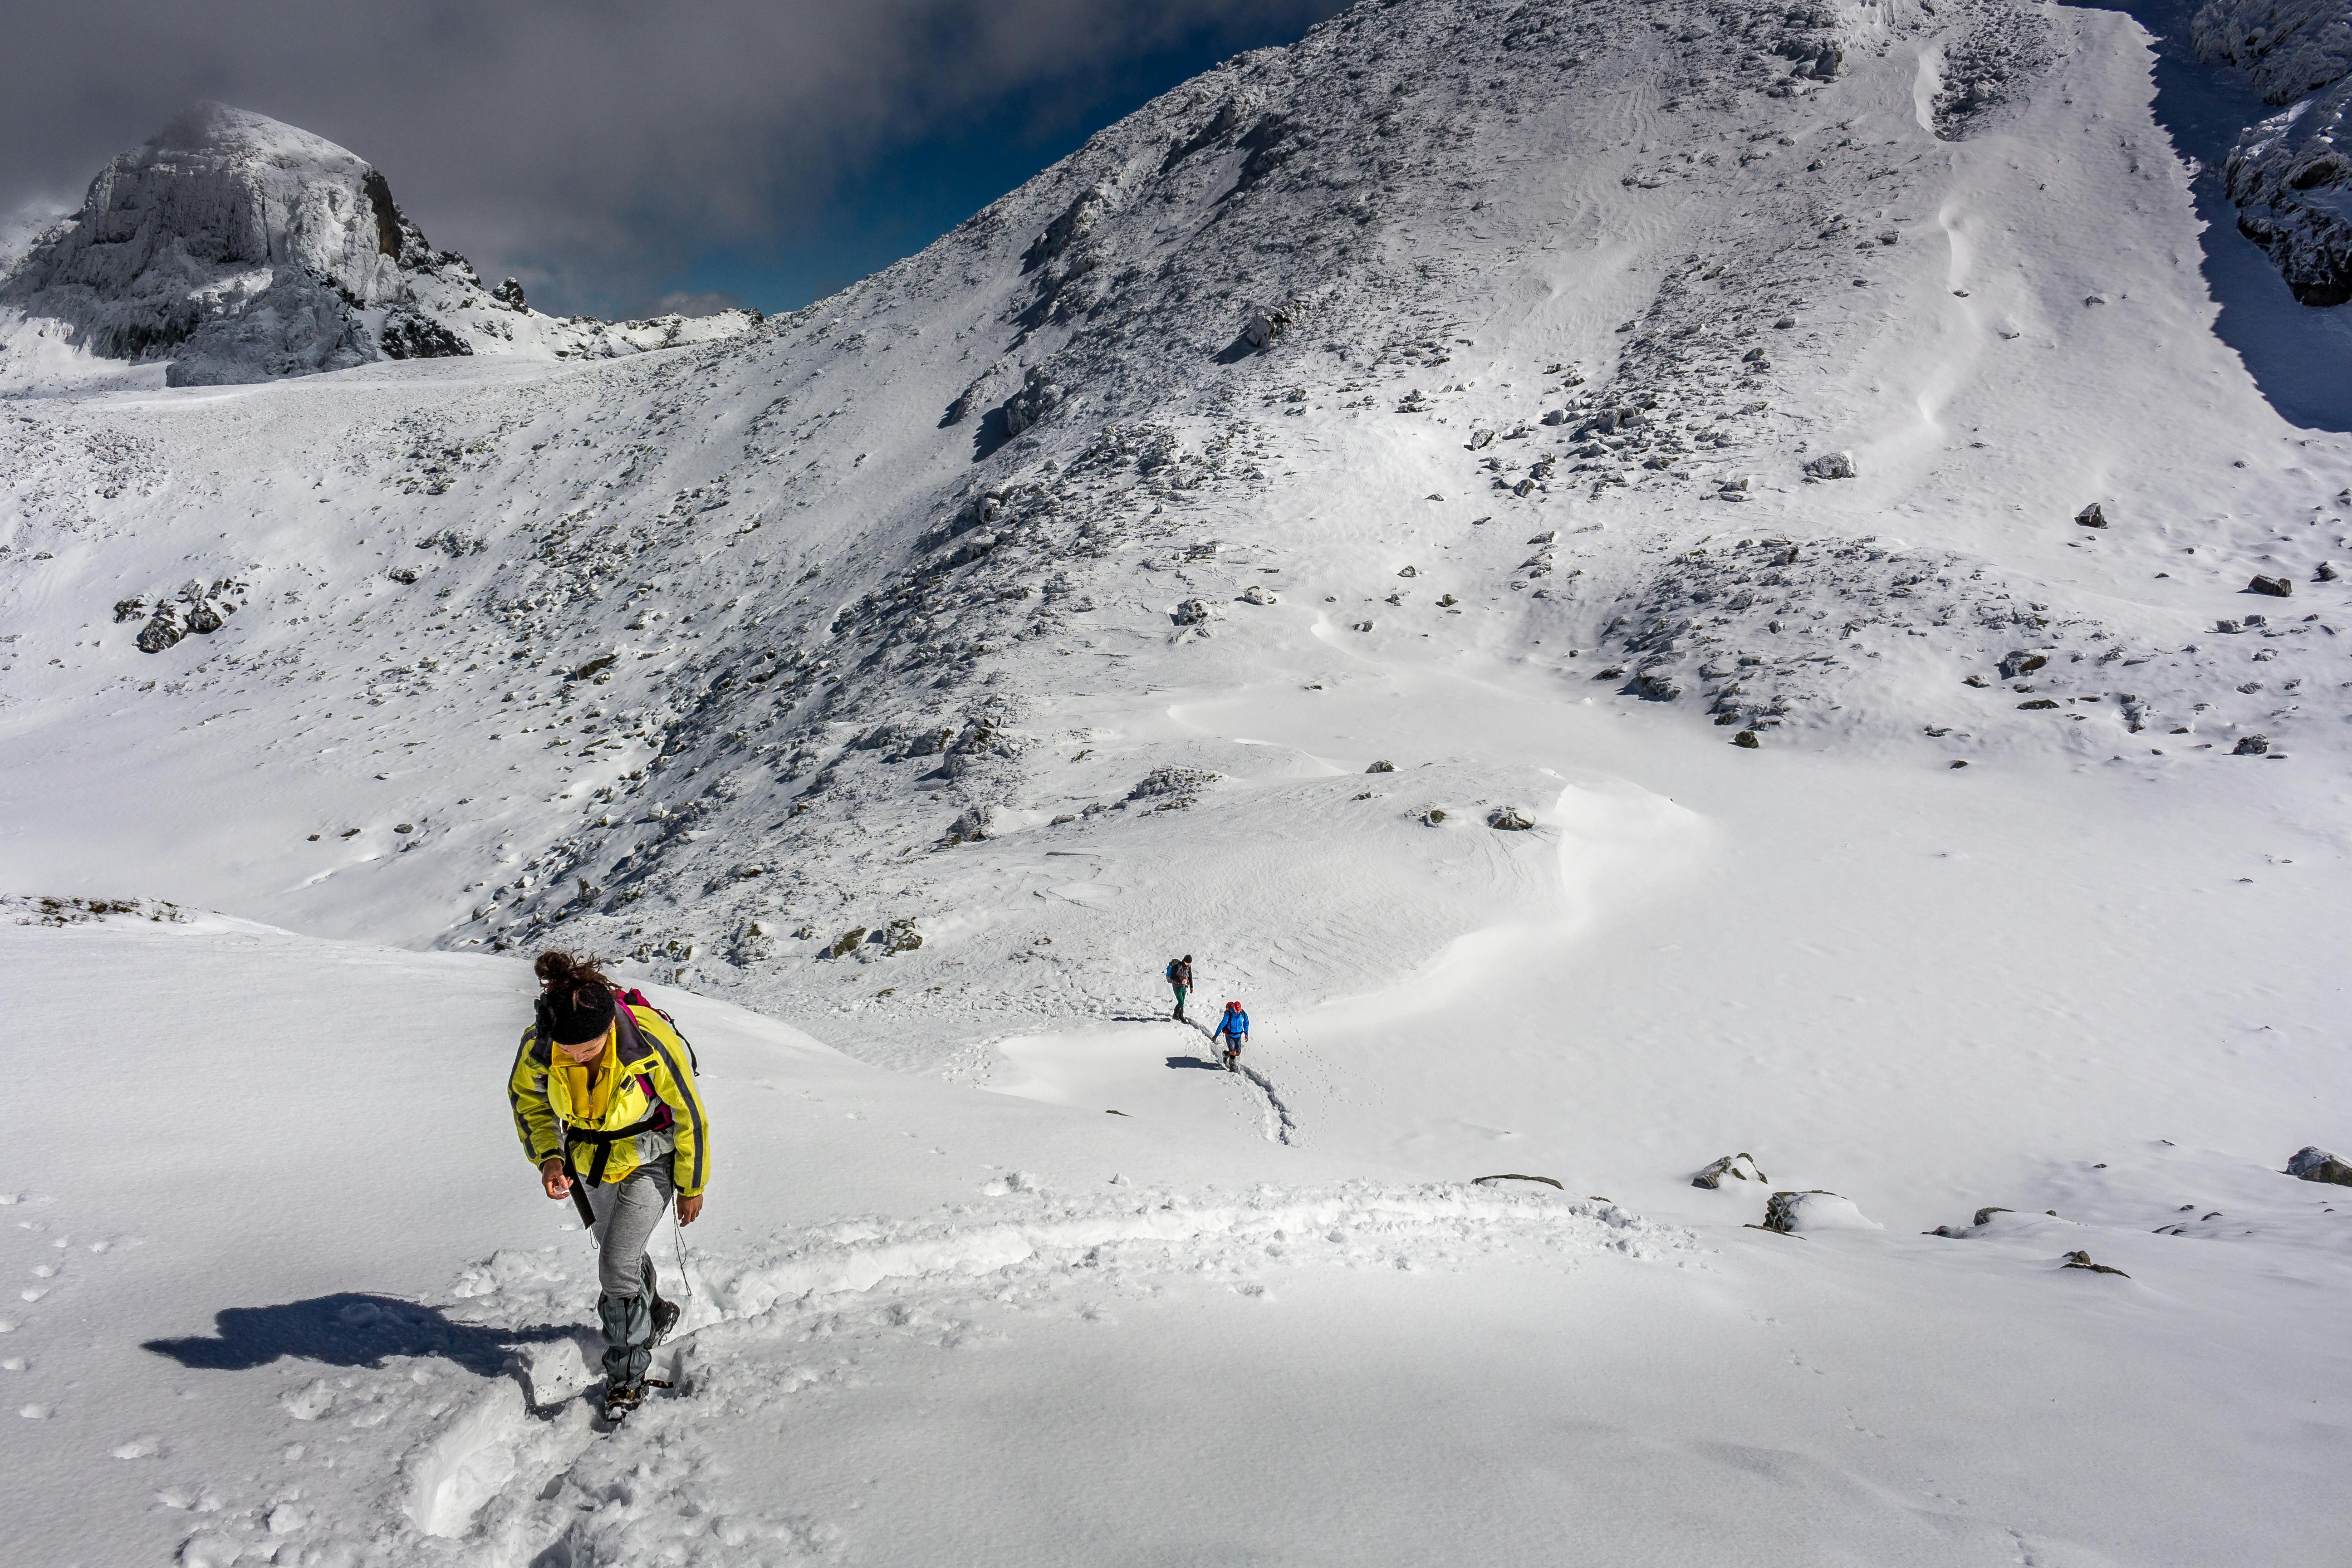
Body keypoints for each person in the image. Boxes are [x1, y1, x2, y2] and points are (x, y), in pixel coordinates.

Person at [507, 951, 709, 1417]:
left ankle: (627, 1377)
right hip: (589, 1161)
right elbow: (529, 1103)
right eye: (569, 1051)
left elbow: (689, 1115)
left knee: (616, 1265)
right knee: (620, 1255)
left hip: (650, 1157)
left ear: (610, 1028)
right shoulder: (540, 1044)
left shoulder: (648, 1041)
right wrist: (550, 1159)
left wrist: (692, 1185)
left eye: (589, 1048)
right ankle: (655, 1313)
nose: (578, 1057)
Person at [1215, 1000, 1250, 1070]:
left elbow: (1246, 1023)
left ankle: (1226, 1054)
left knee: (1238, 1053)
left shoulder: (1243, 1014)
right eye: (1237, 1011)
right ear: (1234, 1009)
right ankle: (1232, 1068)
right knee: (1233, 1052)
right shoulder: (1229, 1015)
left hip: (1238, 1036)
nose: (1238, 1012)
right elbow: (1221, 1026)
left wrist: (1246, 1033)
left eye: (1239, 1010)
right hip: (1230, 1036)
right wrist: (1216, 1036)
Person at [1166, 954, 1194, 1022]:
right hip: (1177, 987)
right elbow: (1172, 977)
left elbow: (1190, 975)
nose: (1189, 965)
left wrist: (1191, 987)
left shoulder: (1189, 967)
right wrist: (1181, 981)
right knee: (1181, 1002)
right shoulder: (1178, 966)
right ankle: (1175, 1015)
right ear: (1185, 961)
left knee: (1183, 1001)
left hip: (1183, 987)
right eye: (1188, 963)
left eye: (1190, 963)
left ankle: (1181, 1015)